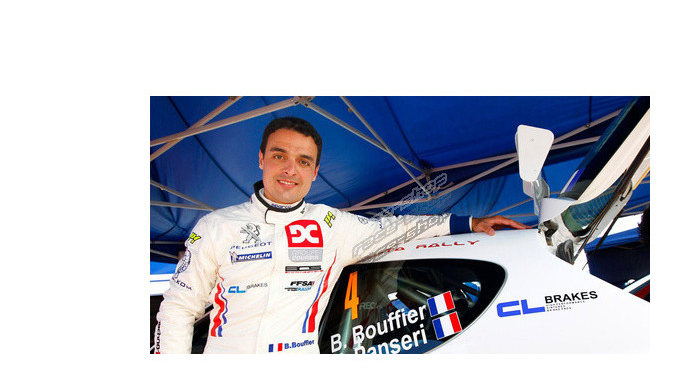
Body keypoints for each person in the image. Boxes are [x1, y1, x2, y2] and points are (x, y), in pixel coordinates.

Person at [154, 116, 529, 353]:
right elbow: (178, 309)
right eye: (280, 155)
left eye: (303, 161)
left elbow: (395, 228)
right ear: (262, 159)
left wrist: (469, 223)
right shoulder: (217, 226)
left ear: (315, 171)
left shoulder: (332, 225)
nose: (290, 169)